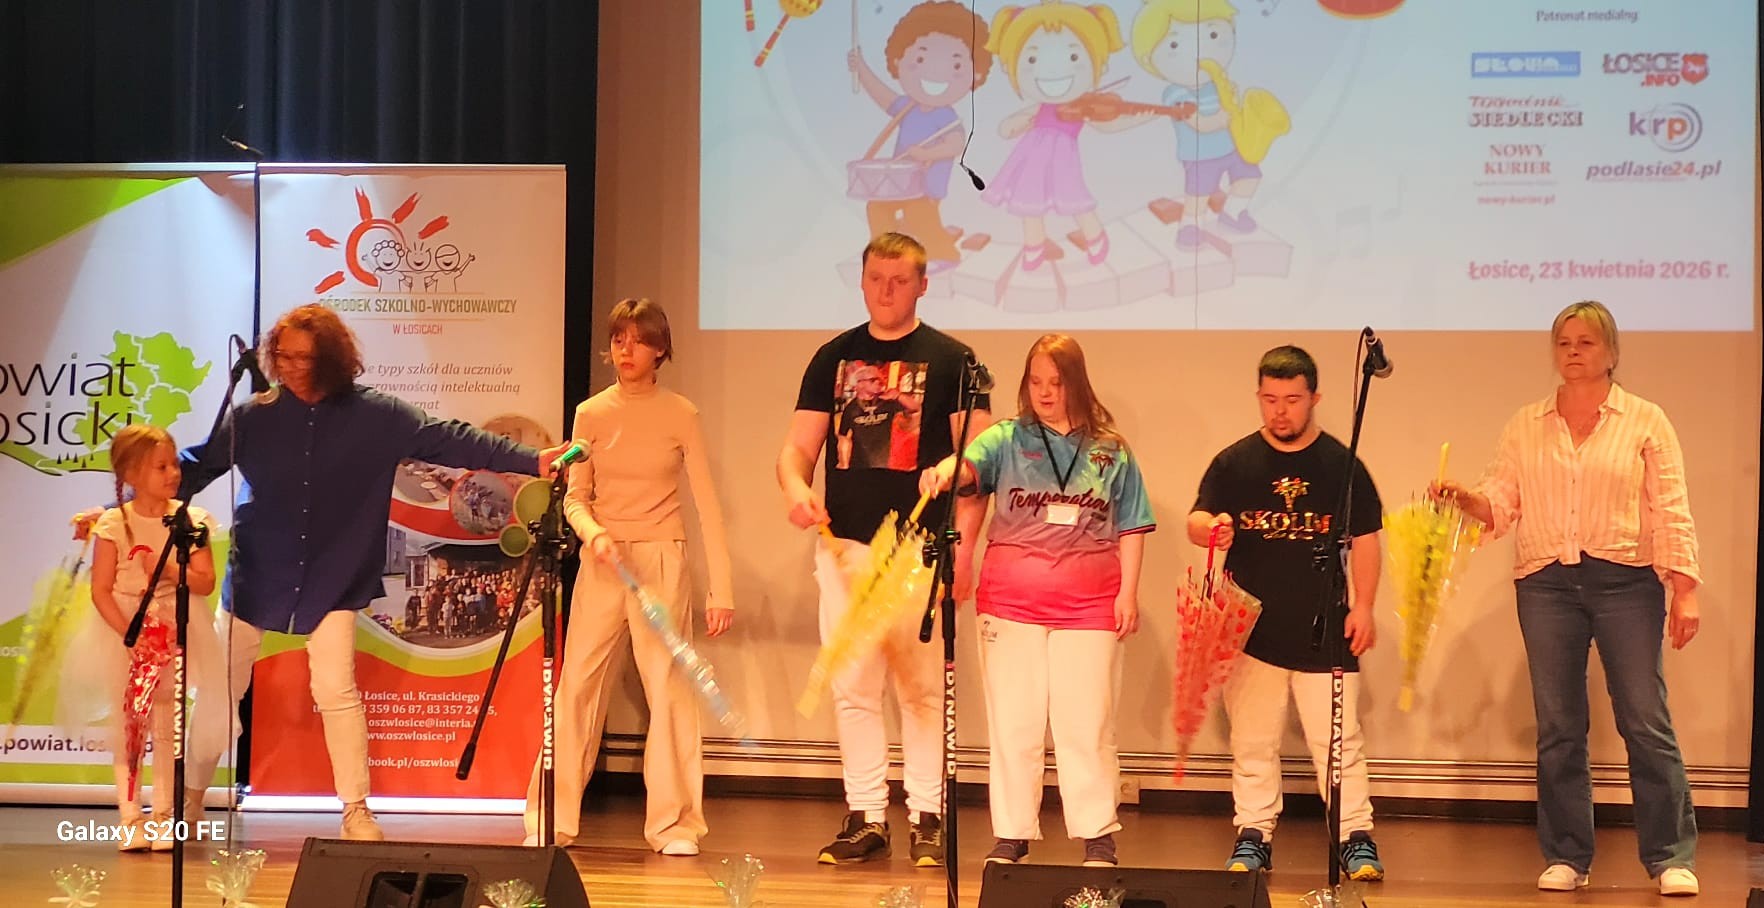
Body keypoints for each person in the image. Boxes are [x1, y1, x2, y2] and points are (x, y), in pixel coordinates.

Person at [73, 303, 574, 841]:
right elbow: (189, 470)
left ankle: (356, 809)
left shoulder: (379, 416)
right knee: (220, 692)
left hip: (335, 575)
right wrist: (113, 513)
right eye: (282, 356)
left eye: (303, 359)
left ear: (332, 359)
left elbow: (451, 438)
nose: (289, 367)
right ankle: (190, 801)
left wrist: (533, 460)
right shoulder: (253, 416)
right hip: (259, 572)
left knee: (337, 689)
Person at [1432, 301, 1701, 897]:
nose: (1573, 352)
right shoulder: (1526, 423)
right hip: (1546, 582)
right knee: (1558, 724)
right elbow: (1501, 501)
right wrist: (1466, 500)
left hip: (1626, 580)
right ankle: (1567, 855)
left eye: (1586, 342)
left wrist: (1684, 590)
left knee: (1644, 718)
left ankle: (1670, 856)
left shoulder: (1645, 420)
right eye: (1563, 343)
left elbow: (1671, 508)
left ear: (1611, 352)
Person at [778, 231, 991, 866]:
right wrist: (795, 488)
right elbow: (797, 451)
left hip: (918, 551)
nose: (886, 291)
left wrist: (963, 547)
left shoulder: (953, 360)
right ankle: (866, 813)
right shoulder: (833, 356)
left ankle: (928, 815)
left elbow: (982, 459)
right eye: (876, 278)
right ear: (862, 281)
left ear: (923, 284)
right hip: (844, 547)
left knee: (921, 691)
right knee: (853, 687)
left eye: (900, 280)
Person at [919, 334, 1152, 868]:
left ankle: (1097, 835)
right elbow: (968, 468)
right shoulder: (1007, 437)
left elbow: (1133, 524)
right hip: (1011, 603)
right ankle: (1012, 834)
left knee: (1086, 723)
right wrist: (944, 471)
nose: (1045, 392)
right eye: (1036, 381)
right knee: (1014, 723)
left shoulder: (1110, 449)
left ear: (1077, 383)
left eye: (1056, 382)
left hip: (1090, 605)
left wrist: (1128, 593)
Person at [524, 298, 736, 855]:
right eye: (619, 339)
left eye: (639, 340)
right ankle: (550, 818)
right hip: (603, 562)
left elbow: (707, 504)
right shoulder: (591, 413)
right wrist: (592, 532)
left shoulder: (681, 413)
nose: (626, 349)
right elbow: (576, 496)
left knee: (667, 689)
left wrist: (721, 588)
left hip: (661, 560)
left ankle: (674, 825)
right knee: (577, 686)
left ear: (659, 349)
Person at [1186, 344, 1385, 880]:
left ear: (1314, 398)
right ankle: (1254, 834)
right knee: (1252, 740)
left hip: (1324, 626)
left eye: (1292, 400)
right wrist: (1211, 528)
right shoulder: (1235, 462)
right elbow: (1197, 520)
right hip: (1251, 630)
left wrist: (1364, 606)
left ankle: (1354, 836)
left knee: (1338, 742)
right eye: (1270, 399)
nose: (1280, 411)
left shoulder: (1341, 464)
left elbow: (1367, 539)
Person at [61, 424, 230, 852]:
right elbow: (101, 590)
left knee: (168, 723)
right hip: (127, 629)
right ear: (131, 474)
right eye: (161, 467)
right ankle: (130, 817)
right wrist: (130, 636)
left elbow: (205, 581)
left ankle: (164, 816)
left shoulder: (190, 520)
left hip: (175, 627)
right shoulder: (113, 524)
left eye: (174, 464)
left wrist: (170, 569)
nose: (173, 473)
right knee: (130, 725)